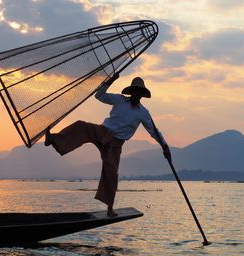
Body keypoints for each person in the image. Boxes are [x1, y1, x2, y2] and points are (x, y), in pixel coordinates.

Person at [44, 74, 171, 217]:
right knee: (81, 126)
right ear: (131, 92)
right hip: (102, 132)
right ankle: (53, 139)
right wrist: (110, 81)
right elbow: (99, 95)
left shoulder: (143, 113)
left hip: (115, 144)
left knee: (111, 173)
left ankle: (110, 208)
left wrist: (164, 146)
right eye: (135, 91)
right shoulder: (120, 100)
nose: (136, 94)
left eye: (139, 92)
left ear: (142, 94)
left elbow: (153, 131)